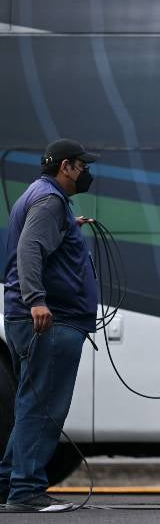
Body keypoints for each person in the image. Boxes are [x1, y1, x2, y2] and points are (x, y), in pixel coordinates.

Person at [0, 139, 100, 512]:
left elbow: (37, 239)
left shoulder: (41, 197)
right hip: (50, 321)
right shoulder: (50, 200)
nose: (86, 171)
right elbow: (29, 249)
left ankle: (8, 483)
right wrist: (37, 301)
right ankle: (26, 490)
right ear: (66, 167)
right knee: (44, 409)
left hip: (34, 319)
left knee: (30, 403)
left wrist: (67, 226)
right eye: (82, 165)